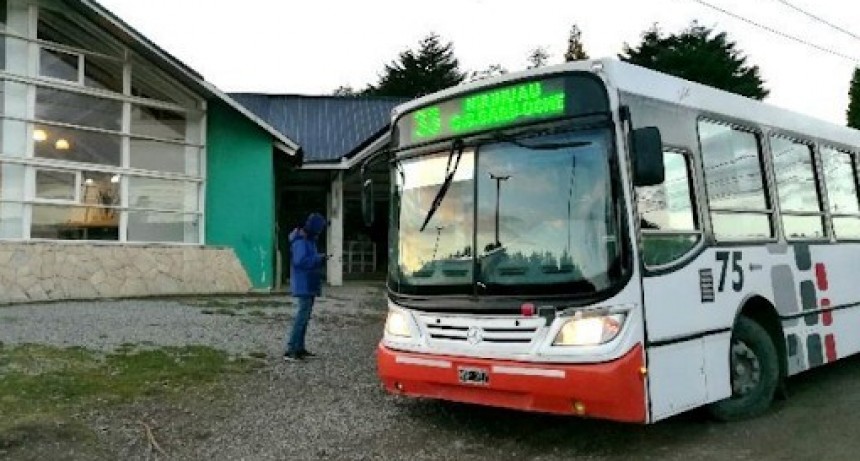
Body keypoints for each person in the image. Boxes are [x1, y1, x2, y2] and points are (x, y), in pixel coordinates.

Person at [284, 212, 327, 362]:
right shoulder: (301, 242)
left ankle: (299, 348)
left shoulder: (308, 240)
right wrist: (318, 259)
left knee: (304, 318)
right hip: (304, 284)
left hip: (308, 283)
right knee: (301, 318)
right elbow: (300, 261)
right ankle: (291, 350)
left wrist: (318, 258)